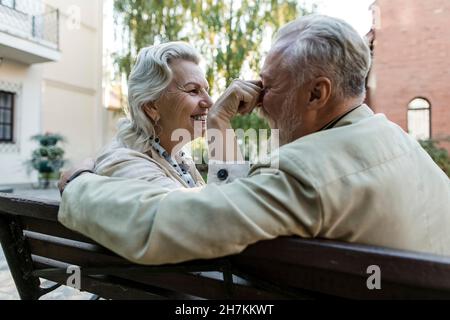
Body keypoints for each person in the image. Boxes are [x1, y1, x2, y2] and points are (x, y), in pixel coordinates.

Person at [58, 15, 450, 266]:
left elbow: (169, 221)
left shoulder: (306, 173)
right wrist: (218, 123)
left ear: (316, 94)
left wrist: (79, 184)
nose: (257, 100)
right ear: (151, 107)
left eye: (268, 86)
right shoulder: (407, 148)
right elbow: (214, 209)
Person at [93, 41, 258, 189]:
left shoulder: (178, 157)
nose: (209, 102)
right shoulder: (127, 166)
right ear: (151, 106)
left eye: (206, 91)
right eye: (193, 91)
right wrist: (219, 121)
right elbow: (219, 218)